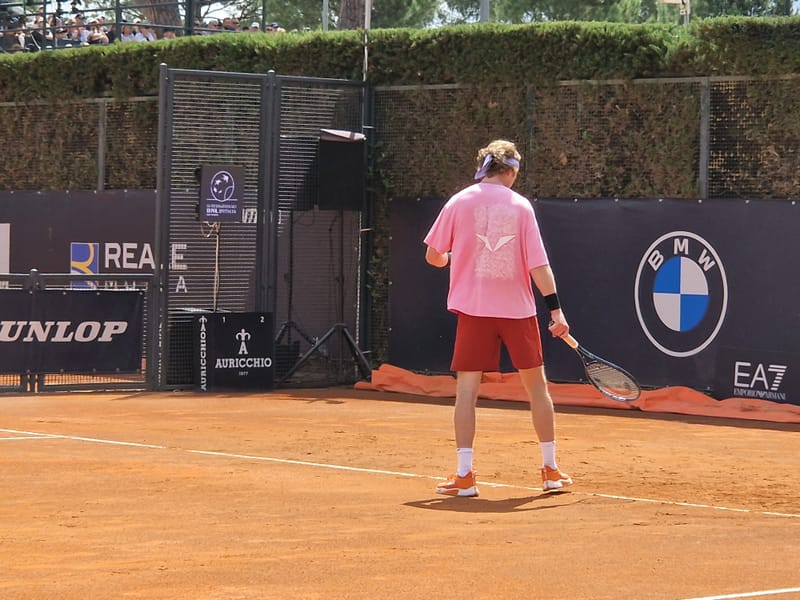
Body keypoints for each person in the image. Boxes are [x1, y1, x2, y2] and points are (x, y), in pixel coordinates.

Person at [423, 139, 572, 497]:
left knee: (466, 392)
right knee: (538, 388)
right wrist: (556, 309)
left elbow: (433, 255)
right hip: (517, 312)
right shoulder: (521, 207)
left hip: (474, 311)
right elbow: (539, 266)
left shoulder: (458, 201)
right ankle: (550, 471)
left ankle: (464, 476)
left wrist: (448, 260)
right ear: (510, 171)